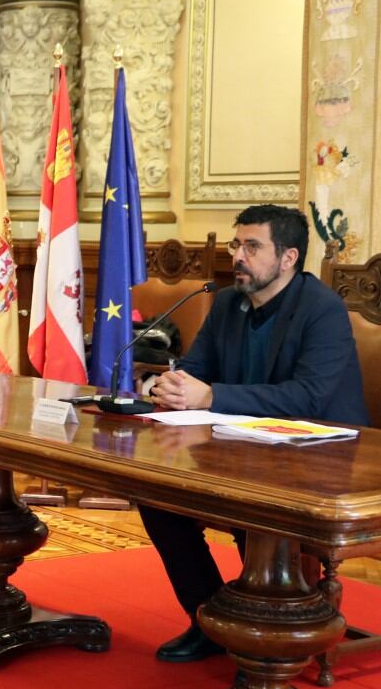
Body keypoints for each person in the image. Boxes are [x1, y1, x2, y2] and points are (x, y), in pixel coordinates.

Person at [141, 204, 368, 662]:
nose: (237, 256)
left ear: (288, 258)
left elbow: (307, 399)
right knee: (155, 494)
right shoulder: (227, 302)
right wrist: (170, 385)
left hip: (321, 456)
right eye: (235, 244)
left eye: (252, 246)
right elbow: (195, 370)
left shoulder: (322, 309)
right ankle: (210, 618)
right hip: (240, 447)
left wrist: (209, 397)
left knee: (253, 502)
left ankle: (269, 626)